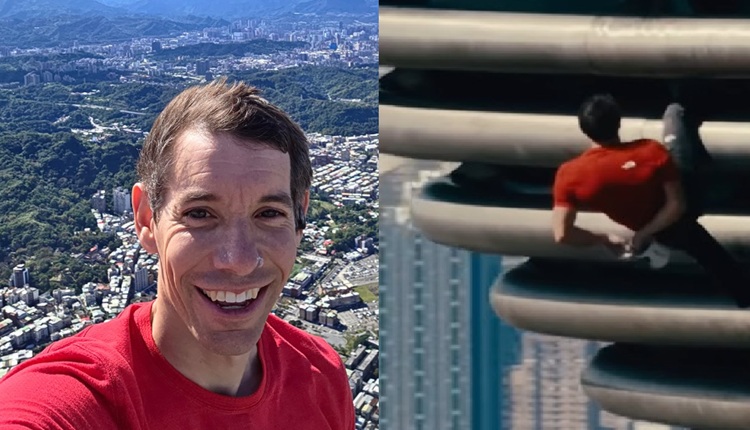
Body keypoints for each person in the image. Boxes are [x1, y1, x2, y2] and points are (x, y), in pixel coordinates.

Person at [0, 78, 356, 429]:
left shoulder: (321, 375)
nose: (239, 261)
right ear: (146, 219)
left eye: (269, 214)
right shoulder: (82, 398)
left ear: (299, 218)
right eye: (200, 214)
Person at [552, 93, 750, 308]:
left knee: (714, 259)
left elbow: (562, 234)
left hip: (668, 232)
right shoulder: (649, 150)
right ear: (618, 122)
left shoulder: (568, 174)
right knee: (675, 111)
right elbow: (677, 204)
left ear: (584, 129)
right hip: (682, 202)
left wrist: (608, 238)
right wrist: (644, 234)